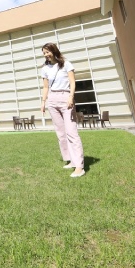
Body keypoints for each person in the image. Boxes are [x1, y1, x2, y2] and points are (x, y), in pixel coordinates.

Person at [40, 42, 85, 177]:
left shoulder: (66, 64)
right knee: (61, 133)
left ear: (54, 51)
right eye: (44, 53)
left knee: (71, 132)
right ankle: (71, 160)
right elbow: (46, 87)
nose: (46, 55)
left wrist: (71, 97)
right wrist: (43, 102)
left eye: (47, 52)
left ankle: (80, 167)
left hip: (65, 97)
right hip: (52, 100)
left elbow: (72, 82)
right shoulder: (45, 68)